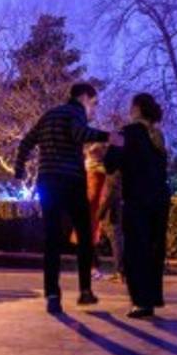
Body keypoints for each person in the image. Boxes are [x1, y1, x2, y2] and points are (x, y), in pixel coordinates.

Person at [15, 83, 112, 314]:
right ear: (84, 97)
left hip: (47, 180)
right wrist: (108, 136)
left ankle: (52, 294)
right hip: (71, 180)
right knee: (84, 233)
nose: (92, 109)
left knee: (52, 238)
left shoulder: (49, 114)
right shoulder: (75, 112)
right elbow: (80, 134)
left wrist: (19, 170)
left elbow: (27, 141)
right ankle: (85, 291)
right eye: (93, 103)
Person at [102, 93, 170, 319]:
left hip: (137, 200)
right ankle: (152, 298)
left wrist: (110, 144)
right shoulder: (158, 136)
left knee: (136, 250)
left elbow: (110, 165)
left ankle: (140, 301)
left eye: (131, 106)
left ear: (137, 108)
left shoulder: (126, 133)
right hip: (160, 200)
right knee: (154, 249)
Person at [74, 146, 108, 280]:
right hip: (93, 211)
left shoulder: (93, 174)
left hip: (89, 211)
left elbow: (91, 194)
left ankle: (92, 268)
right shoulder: (99, 172)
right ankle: (92, 268)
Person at [96, 167, 125, 284]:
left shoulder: (113, 173)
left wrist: (100, 213)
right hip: (117, 210)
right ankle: (121, 272)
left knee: (116, 240)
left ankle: (120, 272)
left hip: (112, 212)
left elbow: (110, 195)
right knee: (118, 240)